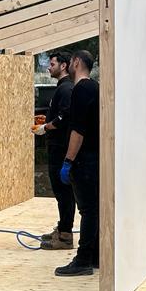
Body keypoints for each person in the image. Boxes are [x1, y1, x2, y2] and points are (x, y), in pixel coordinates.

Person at [55, 50, 100, 277]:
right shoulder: (95, 87)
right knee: (94, 209)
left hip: (84, 160)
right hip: (94, 157)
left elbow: (78, 130)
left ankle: (83, 260)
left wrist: (68, 161)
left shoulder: (81, 89)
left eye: (71, 61)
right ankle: (95, 256)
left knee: (88, 210)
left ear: (76, 62)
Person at [33, 51, 77, 250]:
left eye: (52, 64)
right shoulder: (61, 87)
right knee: (60, 193)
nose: (48, 68)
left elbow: (65, 116)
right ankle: (62, 228)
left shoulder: (66, 88)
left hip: (61, 149)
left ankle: (65, 236)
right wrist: (46, 121)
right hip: (57, 148)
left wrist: (47, 126)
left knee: (64, 192)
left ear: (64, 66)